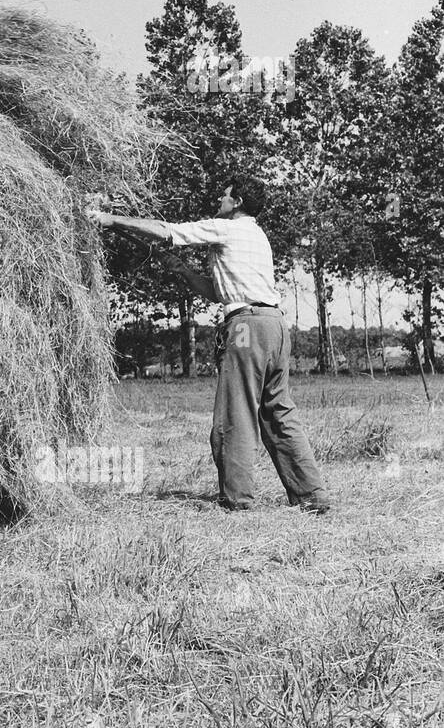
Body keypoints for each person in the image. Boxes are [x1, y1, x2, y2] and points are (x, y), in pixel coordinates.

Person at [88, 175, 331, 514]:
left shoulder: (227, 228)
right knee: (278, 413)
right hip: (274, 327)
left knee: (236, 414)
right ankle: (311, 495)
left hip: (245, 329)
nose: (220, 197)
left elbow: (166, 230)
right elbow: (219, 293)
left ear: (238, 203)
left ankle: (238, 500)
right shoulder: (257, 236)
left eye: (226, 194)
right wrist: (183, 271)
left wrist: (110, 219)